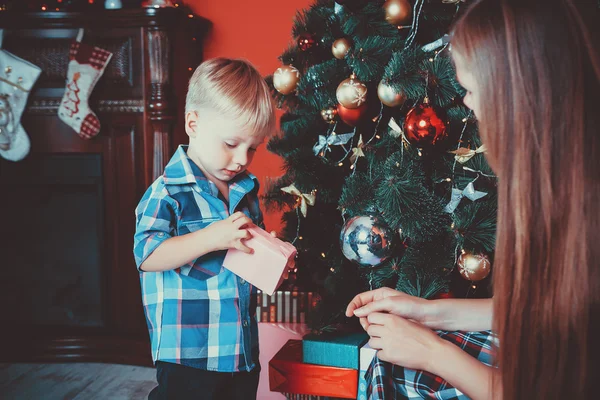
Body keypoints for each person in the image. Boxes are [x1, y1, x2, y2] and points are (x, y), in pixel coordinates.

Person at [346, 0, 600, 399]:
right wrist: (423, 310)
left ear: (524, 94)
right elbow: (535, 310)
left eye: (472, 90)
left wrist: (432, 352)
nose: (466, 103)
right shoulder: (556, 187)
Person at [133, 58, 278, 400]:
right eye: (231, 144)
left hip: (240, 350)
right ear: (193, 123)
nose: (242, 158)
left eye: (252, 148)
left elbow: (247, 255)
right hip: (189, 353)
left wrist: (272, 257)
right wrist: (211, 237)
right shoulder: (167, 191)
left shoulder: (245, 190)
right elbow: (147, 254)